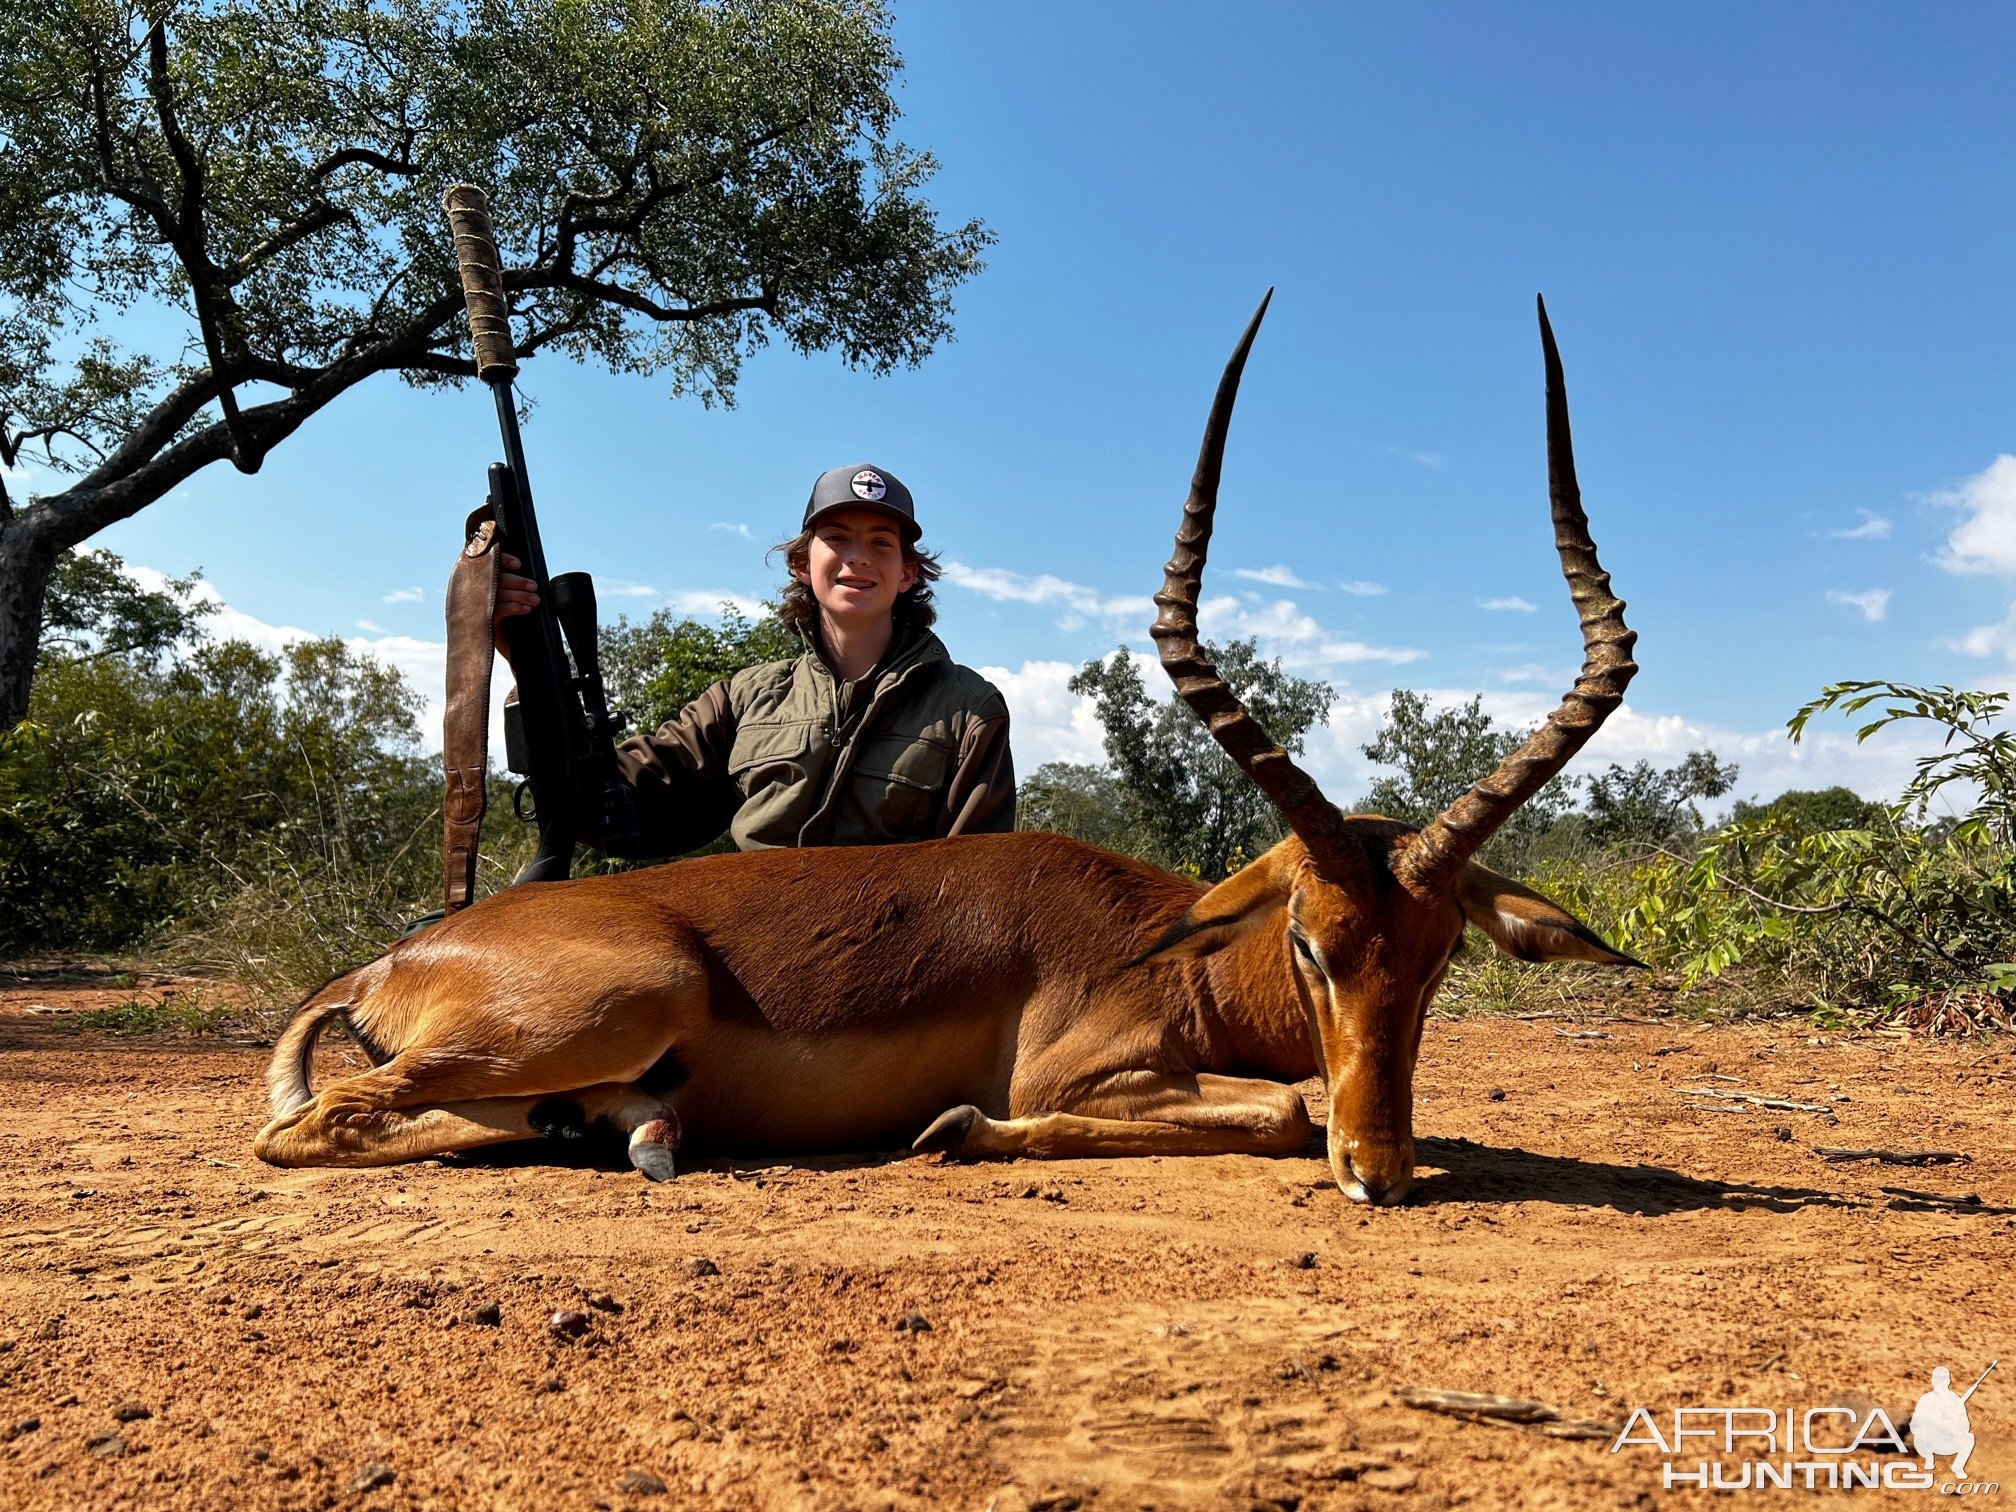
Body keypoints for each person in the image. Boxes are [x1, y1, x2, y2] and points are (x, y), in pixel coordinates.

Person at [494, 463, 1014, 856]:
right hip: (751, 966)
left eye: (882, 543)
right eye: (836, 539)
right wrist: (530, 666)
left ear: (907, 574)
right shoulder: (745, 698)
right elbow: (619, 805)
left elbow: (974, 886)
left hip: (894, 977)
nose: (858, 557)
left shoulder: (971, 711)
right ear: (800, 564)